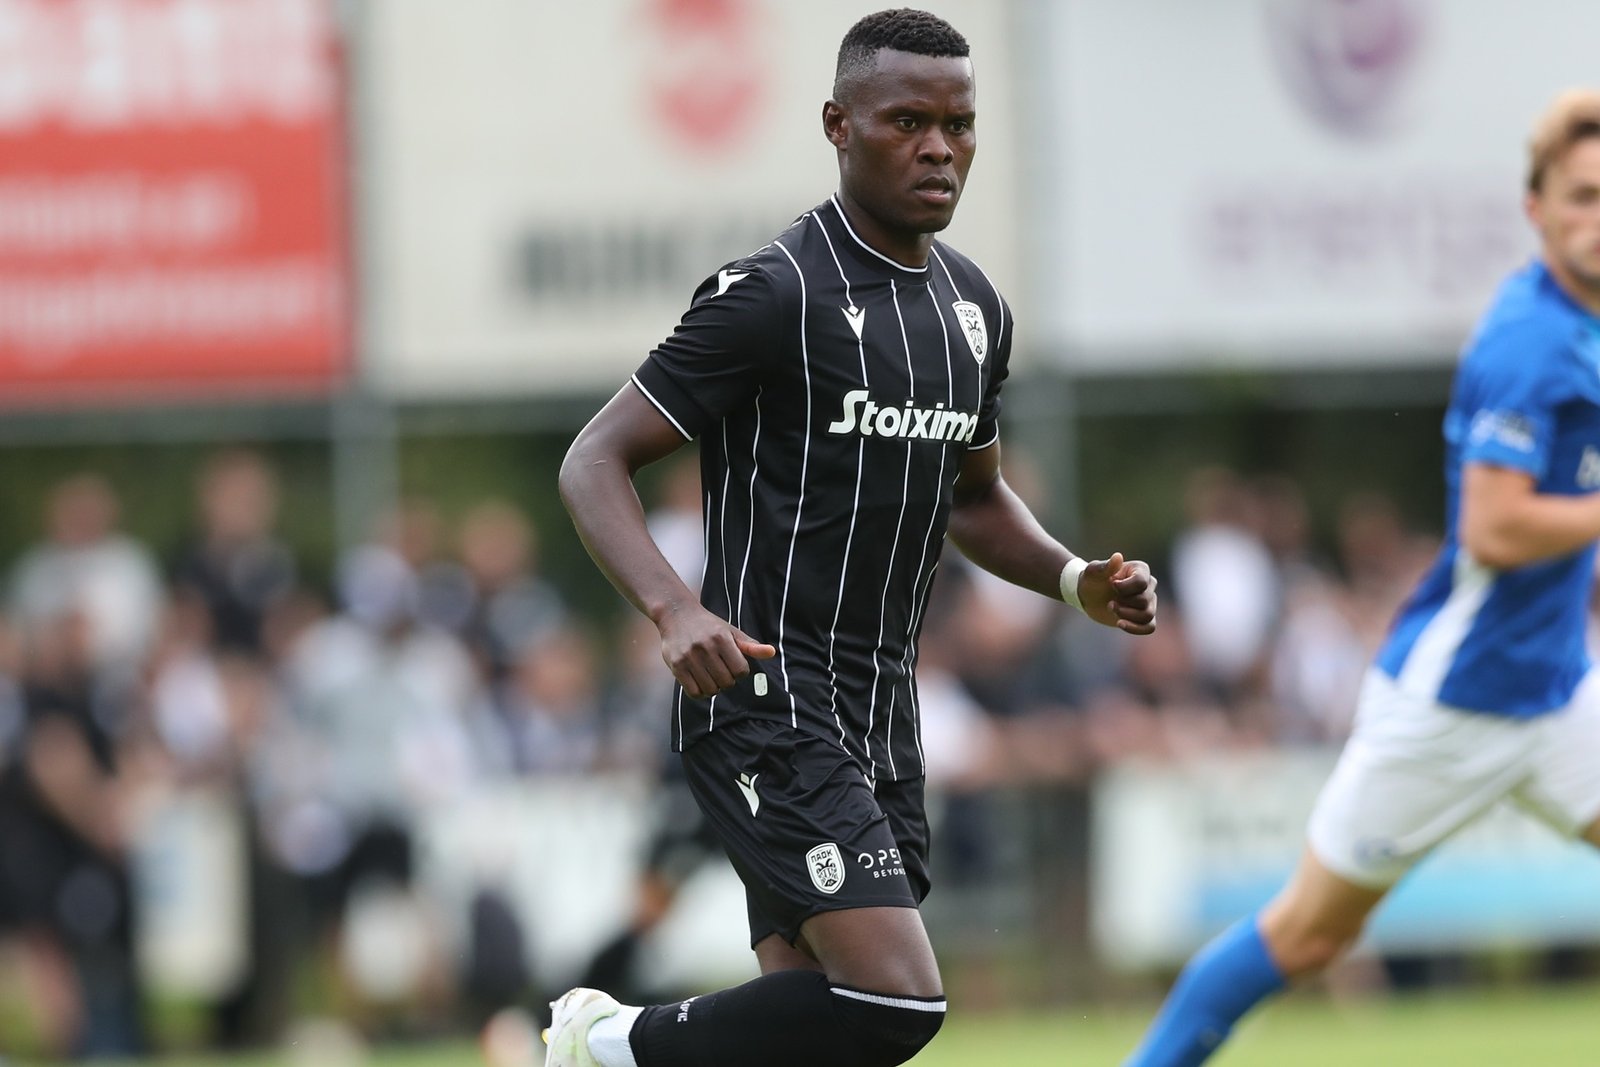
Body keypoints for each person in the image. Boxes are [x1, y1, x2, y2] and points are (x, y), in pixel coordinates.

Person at [549, 9, 1158, 1067]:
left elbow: (973, 499)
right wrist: (674, 608)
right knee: (895, 1003)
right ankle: (601, 1042)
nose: (939, 148)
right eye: (907, 121)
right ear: (838, 125)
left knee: (819, 1026)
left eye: (959, 124)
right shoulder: (773, 294)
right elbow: (592, 459)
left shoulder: (974, 311)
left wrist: (1071, 578)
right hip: (765, 700)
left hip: (882, 711)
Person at [1124, 87, 1600, 1067]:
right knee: (1307, 934)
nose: (1598, 217)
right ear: (1537, 209)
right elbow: (1495, 527)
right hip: (1452, 701)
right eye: (1581, 196)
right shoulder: (1530, 341)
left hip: (1556, 694)